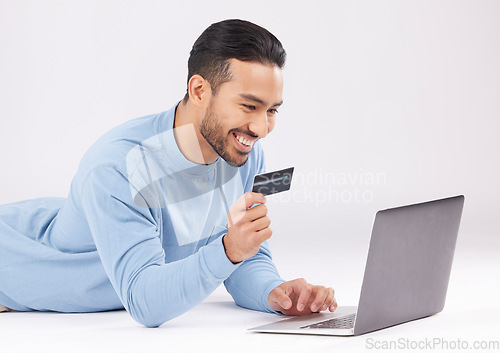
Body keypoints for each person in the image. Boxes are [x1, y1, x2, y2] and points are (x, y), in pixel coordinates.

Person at [0, 19, 337, 327]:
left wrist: (275, 293)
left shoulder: (244, 152)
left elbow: (243, 255)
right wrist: (229, 249)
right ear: (199, 90)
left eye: (272, 110)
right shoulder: (118, 166)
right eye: (249, 106)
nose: (261, 128)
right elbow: (145, 301)